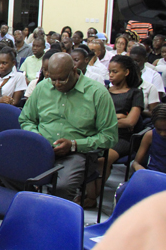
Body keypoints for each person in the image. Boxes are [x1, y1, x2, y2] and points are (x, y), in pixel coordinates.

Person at [18, 53, 118, 201]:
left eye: (62, 79)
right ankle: (32, 211)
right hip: (42, 149)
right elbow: (26, 119)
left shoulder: (97, 93)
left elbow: (109, 136)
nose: (57, 84)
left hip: (77, 153)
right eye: (53, 79)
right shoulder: (42, 87)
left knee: (62, 186)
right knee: (10, 172)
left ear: (74, 70)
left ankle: (58, 218)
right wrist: (36, 137)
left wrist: (74, 145)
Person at [80, 56, 144, 207]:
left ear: (126, 72)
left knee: (103, 160)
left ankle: (91, 197)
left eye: (115, 72)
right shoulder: (105, 91)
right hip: (102, 134)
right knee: (86, 155)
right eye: (109, 72)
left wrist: (109, 120)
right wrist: (118, 116)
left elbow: (130, 122)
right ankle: (91, 196)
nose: (111, 75)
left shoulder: (135, 93)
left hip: (123, 138)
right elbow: (93, 117)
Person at [132, 104, 166, 174]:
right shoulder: (150, 135)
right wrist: (142, 171)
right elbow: (136, 162)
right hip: (153, 175)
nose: (163, 134)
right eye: (159, 129)